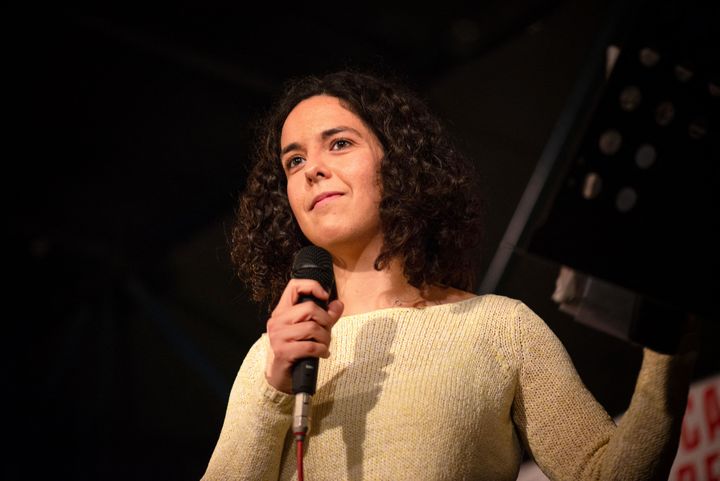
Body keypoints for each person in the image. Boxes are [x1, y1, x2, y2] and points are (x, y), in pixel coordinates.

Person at [200, 69, 697, 481]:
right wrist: (273, 393)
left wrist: (669, 352)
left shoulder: (501, 329)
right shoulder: (273, 356)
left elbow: (606, 474)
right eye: (294, 160)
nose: (312, 170)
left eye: (340, 143)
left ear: (400, 162)